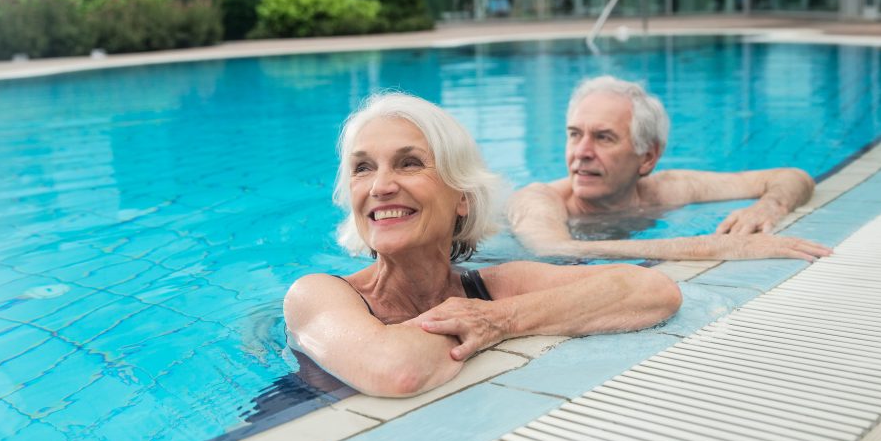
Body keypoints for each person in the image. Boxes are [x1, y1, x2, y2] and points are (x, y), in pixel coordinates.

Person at [284, 93, 682, 397]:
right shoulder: (316, 295)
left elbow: (653, 290)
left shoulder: (492, 291)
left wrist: (504, 319)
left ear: (463, 196)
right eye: (362, 168)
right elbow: (396, 370)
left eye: (409, 163)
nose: (381, 186)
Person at [508, 76, 832, 262]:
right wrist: (715, 246)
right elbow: (551, 249)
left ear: (647, 158)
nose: (581, 153)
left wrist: (769, 206)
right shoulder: (539, 200)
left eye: (603, 138)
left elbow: (793, 176)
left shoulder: (665, 190)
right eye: (574, 135)